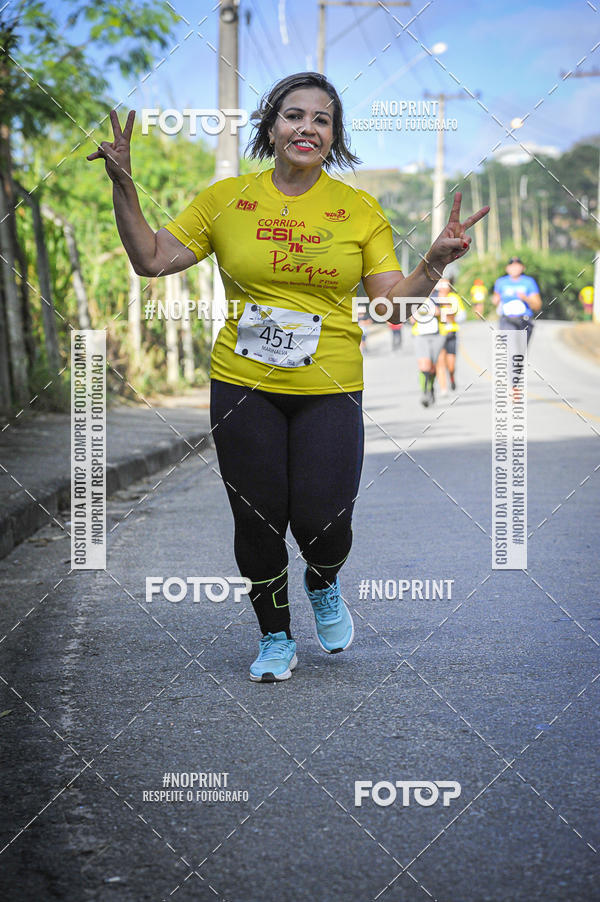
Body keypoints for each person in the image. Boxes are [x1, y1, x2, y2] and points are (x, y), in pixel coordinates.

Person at [88, 72, 488, 682]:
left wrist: (432, 263)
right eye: (294, 116)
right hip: (242, 382)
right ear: (271, 127)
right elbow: (151, 259)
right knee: (257, 518)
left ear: (335, 137)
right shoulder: (225, 199)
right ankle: (275, 635)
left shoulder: (358, 211)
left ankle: (323, 580)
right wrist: (124, 187)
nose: (307, 127)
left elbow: (390, 307)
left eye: (322, 119)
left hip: (328, 385)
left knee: (325, 521)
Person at [492, 256, 542, 343]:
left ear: (523, 268)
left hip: (524, 319)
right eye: (512, 266)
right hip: (507, 320)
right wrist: (495, 300)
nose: (514, 268)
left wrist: (525, 298)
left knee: (520, 353)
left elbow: (537, 305)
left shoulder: (529, 282)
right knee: (508, 350)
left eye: (517, 266)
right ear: (507, 268)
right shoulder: (501, 282)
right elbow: (496, 299)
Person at [411, 289, 444, 407]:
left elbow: (440, 312)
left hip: (436, 335)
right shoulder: (414, 299)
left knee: (433, 367)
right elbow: (411, 318)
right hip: (420, 336)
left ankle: (431, 388)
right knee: (424, 365)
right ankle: (424, 392)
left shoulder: (437, 297)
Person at [436, 279, 465, 394]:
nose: (443, 287)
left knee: (451, 364)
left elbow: (461, 316)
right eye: (440, 284)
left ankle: (452, 376)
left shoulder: (454, 298)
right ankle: (443, 388)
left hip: (451, 332)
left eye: (445, 284)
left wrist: (446, 304)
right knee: (440, 362)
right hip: (438, 333)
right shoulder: (434, 297)